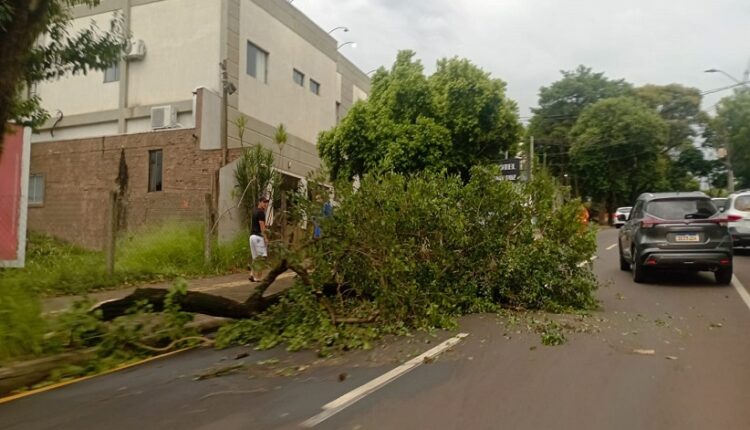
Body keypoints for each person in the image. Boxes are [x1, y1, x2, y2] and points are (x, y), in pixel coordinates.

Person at [249, 196, 269, 282]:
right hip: (258, 237)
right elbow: (261, 226)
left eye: (266, 202)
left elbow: (257, 224)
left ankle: (252, 274)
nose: (265, 204)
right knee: (262, 258)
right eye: (264, 202)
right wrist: (266, 238)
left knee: (255, 258)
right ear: (260, 202)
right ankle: (258, 277)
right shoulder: (261, 213)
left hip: (252, 237)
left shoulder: (254, 211)